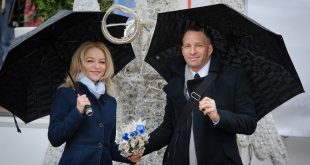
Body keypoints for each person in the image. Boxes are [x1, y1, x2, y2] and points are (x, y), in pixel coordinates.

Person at [141, 26, 257, 165]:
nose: (192, 51)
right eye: (187, 46)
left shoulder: (234, 77)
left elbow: (249, 123)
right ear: (182, 50)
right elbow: (169, 127)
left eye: (199, 45)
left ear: (210, 49)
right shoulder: (176, 80)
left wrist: (218, 116)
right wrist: (139, 148)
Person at [48, 41, 138, 165]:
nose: (97, 66)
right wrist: (77, 112)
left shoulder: (110, 102)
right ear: (79, 64)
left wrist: (128, 156)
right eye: (90, 61)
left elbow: (108, 145)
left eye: (102, 62)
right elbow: (55, 138)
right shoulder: (65, 94)